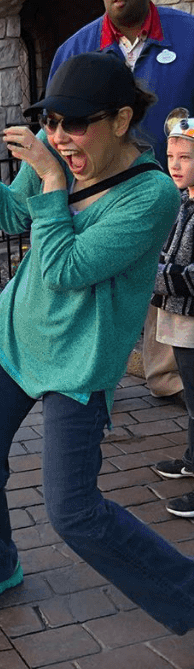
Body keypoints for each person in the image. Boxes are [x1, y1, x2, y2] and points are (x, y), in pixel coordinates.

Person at [0, 52, 194, 635]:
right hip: (14, 335)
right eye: (51, 121)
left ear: (121, 119)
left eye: (74, 123)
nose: (57, 136)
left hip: (80, 361)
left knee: (74, 512)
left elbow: (65, 268)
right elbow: (14, 215)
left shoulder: (152, 194)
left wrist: (55, 181)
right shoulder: (53, 151)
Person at [49, 0, 194, 405]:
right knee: (99, 287)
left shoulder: (188, 36)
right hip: (98, 192)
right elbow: (57, 125)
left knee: (164, 280)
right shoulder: (76, 48)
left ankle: (167, 377)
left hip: (169, 187)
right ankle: (87, 382)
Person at [151, 114, 194, 517]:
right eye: (171, 156)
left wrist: (154, 275)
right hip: (180, 321)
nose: (175, 165)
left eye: (186, 157)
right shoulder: (182, 202)